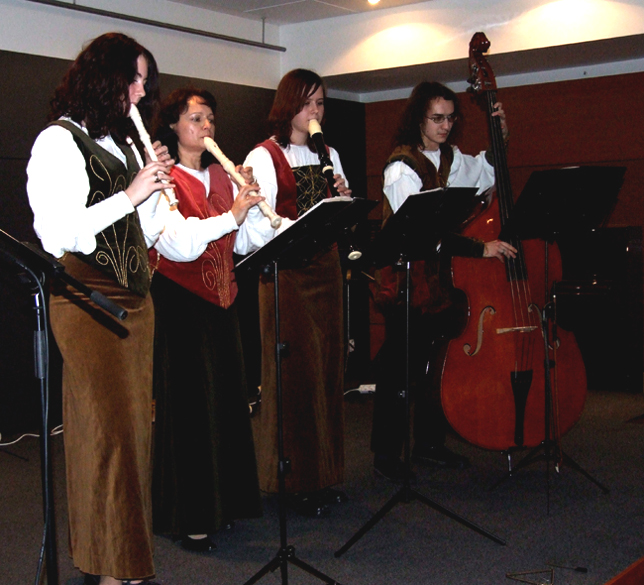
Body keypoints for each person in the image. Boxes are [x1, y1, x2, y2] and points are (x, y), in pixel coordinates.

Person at [26, 33, 173, 584]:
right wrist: (130, 194)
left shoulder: (124, 144)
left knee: (134, 438)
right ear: (102, 77)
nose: (140, 93)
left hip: (136, 302)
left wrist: (154, 190)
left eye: (144, 83)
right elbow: (56, 234)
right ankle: (111, 570)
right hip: (86, 300)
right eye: (132, 79)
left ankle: (126, 564)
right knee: (107, 438)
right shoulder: (58, 141)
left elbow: (146, 232)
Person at [371, 81, 517, 482]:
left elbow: (486, 172)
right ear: (418, 118)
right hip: (407, 282)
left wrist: (500, 136)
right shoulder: (401, 167)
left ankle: (429, 444)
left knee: (438, 367)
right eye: (437, 118)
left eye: (451, 118)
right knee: (400, 372)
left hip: (444, 282)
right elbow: (419, 232)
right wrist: (479, 248)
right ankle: (386, 454)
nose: (445, 126)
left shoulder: (452, 157)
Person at [150, 88, 263, 551]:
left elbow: (244, 242)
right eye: (195, 118)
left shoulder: (221, 173)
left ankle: (225, 503)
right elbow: (179, 245)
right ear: (173, 126)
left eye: (210, 118)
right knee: (190, 412)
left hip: (223, 302)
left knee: (227, 405)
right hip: (181, 305)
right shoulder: (161, 179)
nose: (206, 126)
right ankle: (190, 516)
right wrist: (232, 214)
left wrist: (251, 207)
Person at [239, 69, 351, 517]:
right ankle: (293, 480)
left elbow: (339, 216)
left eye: (320, 103)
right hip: (286, 274)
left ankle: (324, 473)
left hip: (326, 270)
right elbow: (256, 226)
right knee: (294, 378)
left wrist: (341, 198)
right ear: (289, 106)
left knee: (328, 373)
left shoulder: (330, 154)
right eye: (307, 103)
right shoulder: (263, 156)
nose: (315, 111)